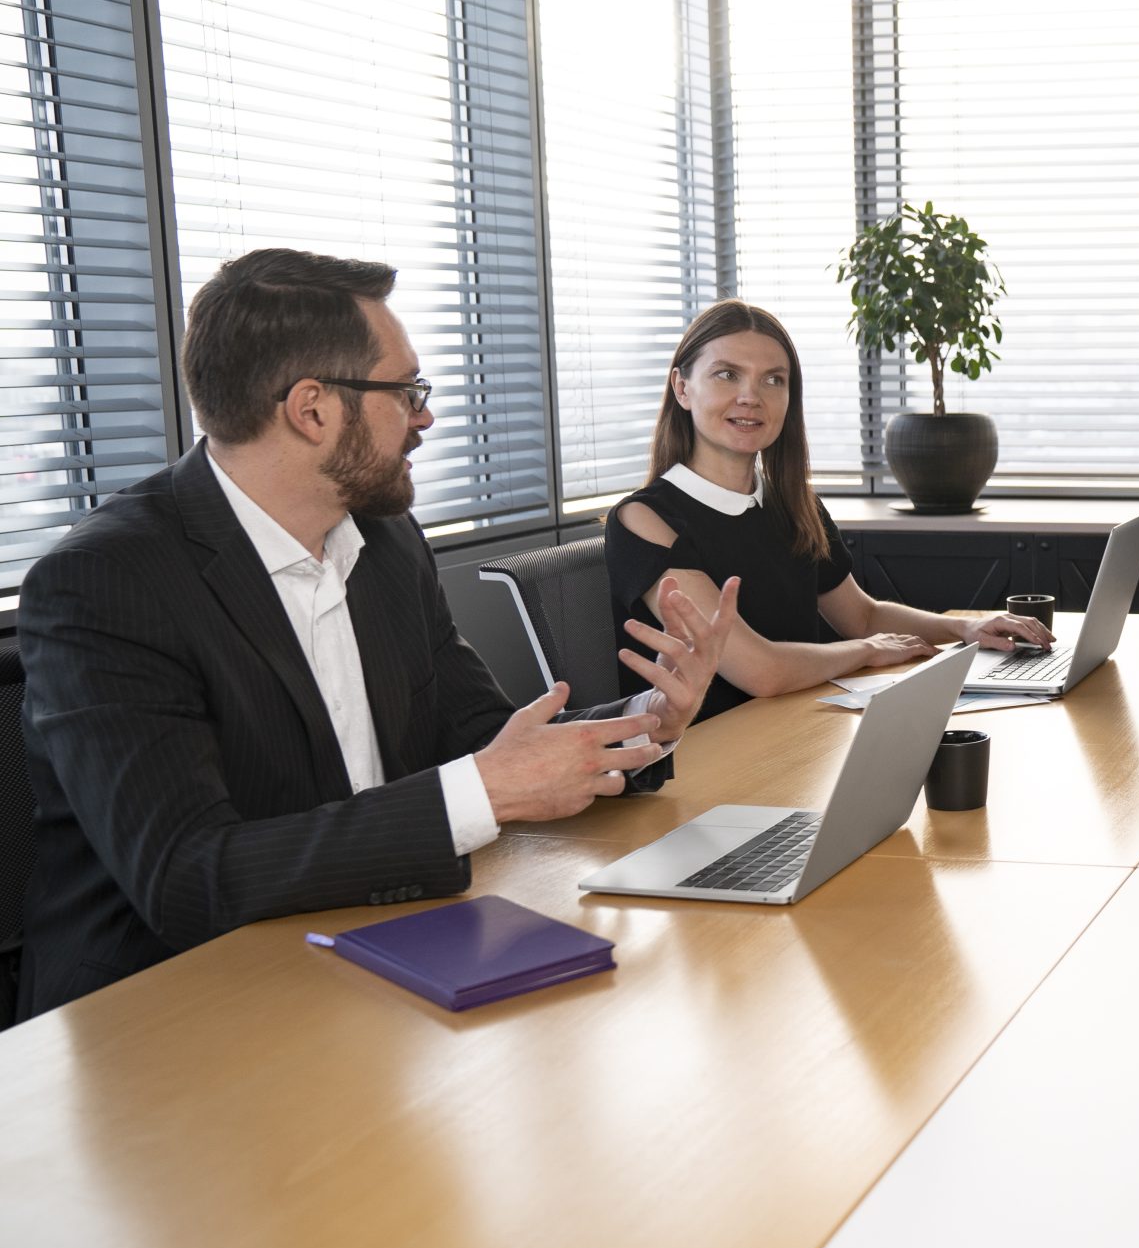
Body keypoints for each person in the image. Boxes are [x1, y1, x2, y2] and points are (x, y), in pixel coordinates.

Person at [15, 248, 737, 1019]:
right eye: (406, 390)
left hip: (368, 949)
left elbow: (483, 740)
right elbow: (189, 877)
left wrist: (642, 724)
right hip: (161, 1014)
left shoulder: (387, 543)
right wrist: (486, 787)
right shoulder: (107, 583)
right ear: (313, 408)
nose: (426, 415)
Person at [606, 300, 1051, 722]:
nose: (751, 397)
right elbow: (761, 671)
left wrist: (966, 629)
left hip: (798, 728)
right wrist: (868, 651)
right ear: (682, 388)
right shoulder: (645, 520)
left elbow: (862, 617)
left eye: (773, 380)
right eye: (727, 375)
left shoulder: (794, 505)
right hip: (709, 755)